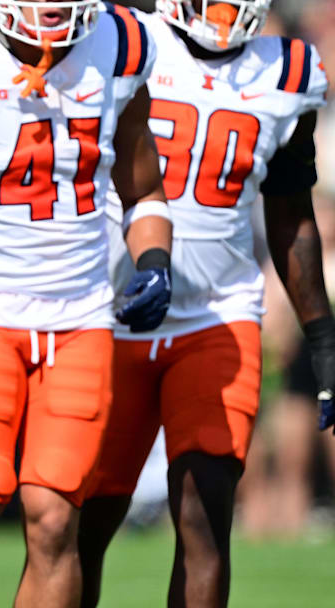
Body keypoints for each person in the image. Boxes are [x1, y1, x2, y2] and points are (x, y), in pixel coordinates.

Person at [0, 1, 173, 606]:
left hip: (81, 318)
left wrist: (155, 264)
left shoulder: (125, 41)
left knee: (56, 520)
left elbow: (143, 186)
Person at [77, 1, 330, 606]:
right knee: (82, 520)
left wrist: (321, 333)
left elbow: (291, 209)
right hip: (110, 315)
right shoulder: (121, 38)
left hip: (217, 316)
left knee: (204, 512)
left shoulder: (289, 69)